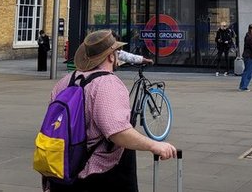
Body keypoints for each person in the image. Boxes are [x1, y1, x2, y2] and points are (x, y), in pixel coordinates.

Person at [43, 29, 176, 191]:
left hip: (64, 168)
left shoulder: (64, 82)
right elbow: (118, 133)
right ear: (111, 56)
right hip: (99, 173)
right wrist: (154, 145)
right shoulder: (107, 83)